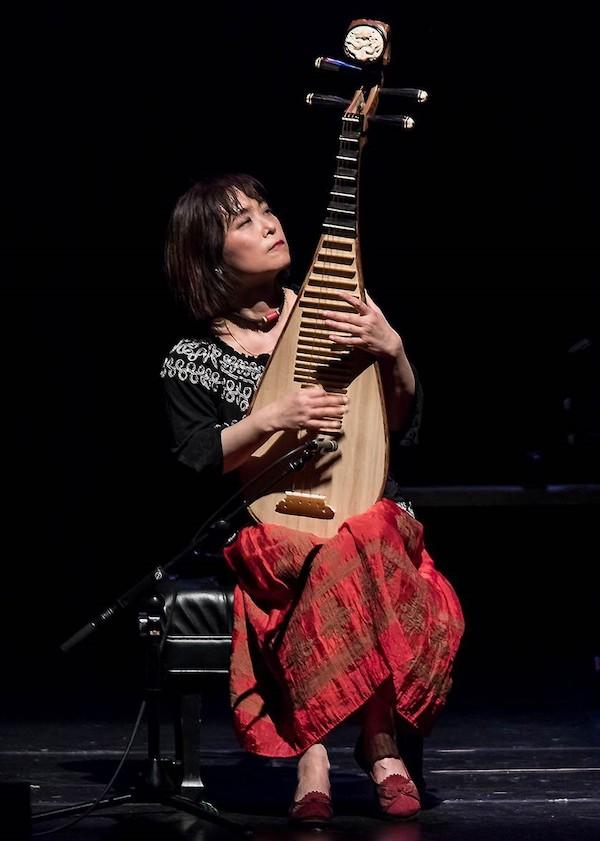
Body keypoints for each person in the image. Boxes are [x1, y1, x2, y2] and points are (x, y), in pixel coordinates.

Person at [161, 173, 464, 825]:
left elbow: (398, 424)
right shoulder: (192, 356)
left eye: (266, 208)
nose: (269, 222)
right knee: (332, 546)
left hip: (356, 515)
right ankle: (328, 750)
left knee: (370, 530)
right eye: (242, 220)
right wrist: (275, 416)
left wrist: (395, 351)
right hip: (270, 529)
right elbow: (195, 458)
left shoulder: (331, 310)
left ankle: (367, 739)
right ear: (209, 257)